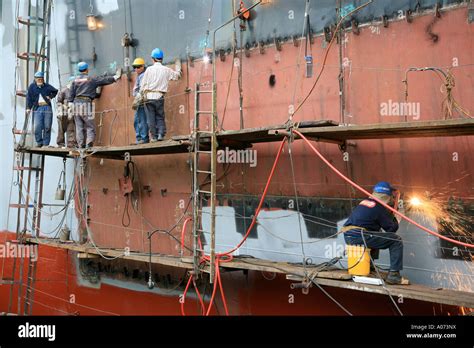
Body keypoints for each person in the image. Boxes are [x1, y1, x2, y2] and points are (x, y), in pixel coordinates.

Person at [342, 181, 409, 285]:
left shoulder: (365, 202)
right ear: (387, 197)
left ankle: (369, 266)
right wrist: (398, 216)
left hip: (349, 235)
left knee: (376, 233)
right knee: (396, 240)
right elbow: (391, 229)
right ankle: (394, 275)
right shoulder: (379, 208)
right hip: (359, 236)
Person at [68, 61, 122, 148]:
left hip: (76, 104)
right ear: (87, 69)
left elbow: (71, 94)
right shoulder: (91, 79)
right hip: (86, 103)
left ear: (79, 70)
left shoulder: (75, 80)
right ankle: (89, 142)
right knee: (90, 125)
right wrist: (115, 77)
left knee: (79, 126)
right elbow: (103, 80)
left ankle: (80, 144)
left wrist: (70, 104)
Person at [139, 48, 181, 142]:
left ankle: (154, 136)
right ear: (161, 59)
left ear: (153, 59)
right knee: (160, 116)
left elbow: (143, 84)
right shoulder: (166, 70)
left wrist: (140, 95)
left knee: (150, 118)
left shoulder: (149, 70)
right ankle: (161, 134)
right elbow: (177, 76)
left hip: (148, 97)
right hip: (159, 96)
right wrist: (178, 68)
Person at [26, 71, 58, 147]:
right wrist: (28, 108)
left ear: (43, 79)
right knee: (37, 126)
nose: (40, 80)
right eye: (38, 79)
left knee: (47, 126)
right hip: (37, 108)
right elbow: (29, 98)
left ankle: (45, 144)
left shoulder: (47, 86)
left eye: (41, 79)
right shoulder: (32, 87)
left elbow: (55, 91)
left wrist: (50, 97)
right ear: (35, 79)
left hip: (47, 107)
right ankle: (39, 142)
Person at [56, 76, 77, 148]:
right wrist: (63, 107)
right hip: (63, 113)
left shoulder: (75, 91)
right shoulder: (63, 91)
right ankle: (60, 143)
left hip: (71, 112)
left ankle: (70, 144)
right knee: (61, 129)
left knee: (71, 128)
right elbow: (59, 102)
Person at [131, 57, 149, 144]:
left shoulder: (142, 76)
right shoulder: (140, 75)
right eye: (134, 67)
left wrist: (137, 100)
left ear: (143, 66)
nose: (136, 69)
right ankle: (139, 138)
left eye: (138, 67)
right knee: (137, 121)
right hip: (139, 101)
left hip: (141, 101)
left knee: (141, 120)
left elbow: (141, 90)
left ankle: (143, 138)